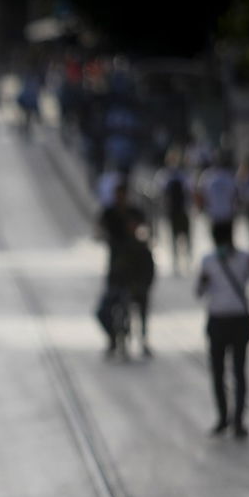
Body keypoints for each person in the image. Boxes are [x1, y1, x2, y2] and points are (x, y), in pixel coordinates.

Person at [196, 221, 249, 438]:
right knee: (218, 372)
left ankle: (238, 420)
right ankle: (222, 417)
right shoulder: (208, 261)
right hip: (217, 320)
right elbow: (199, 292)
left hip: (239, 320)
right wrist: (202, 281)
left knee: (239, 371)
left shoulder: (247, 258)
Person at [96, 179, 155, 357]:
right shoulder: (110, 213)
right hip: (116, 276)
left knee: (142, 305)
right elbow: (100, 229)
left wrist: (144, 285)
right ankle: (113, 339)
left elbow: (149, 269)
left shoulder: (135, 217)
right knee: (102, 311)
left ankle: (143, 340)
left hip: (135, 282)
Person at [154, 150, 192, 275]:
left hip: (180, 210)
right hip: (174, 211)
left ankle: (186, 260)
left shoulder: (180, 175)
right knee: (175, 237)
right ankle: (176, 262)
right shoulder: (165, 175)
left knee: (184, 237)